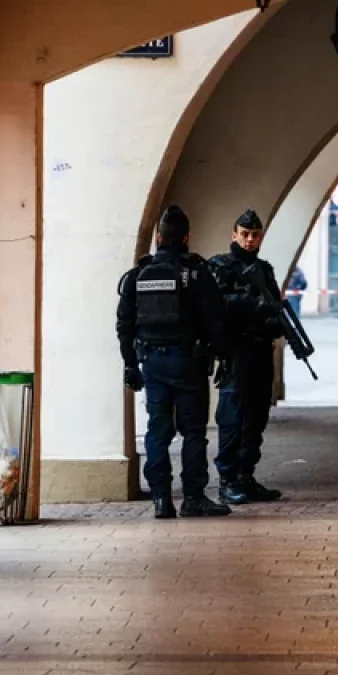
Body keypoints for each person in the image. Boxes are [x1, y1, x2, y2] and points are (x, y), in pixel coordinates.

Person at [116, 205, 232, 519]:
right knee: (193, 432)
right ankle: (193, 497)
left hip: (152, 363)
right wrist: (224, 357)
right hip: (188, 364)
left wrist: (130, 364)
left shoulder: (138, 274)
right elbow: (215, 319)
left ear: (158, 237)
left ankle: (161, 500)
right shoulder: (196, 272)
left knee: (157, 431)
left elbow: (124, 324)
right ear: (186, 238)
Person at [208, 209, 285, 505]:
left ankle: (245, 476)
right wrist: (248, 304)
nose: (250, 240)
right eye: (245, 234)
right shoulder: (220, 267)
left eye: (255, 235)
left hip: (260, 349)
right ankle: (227, 479)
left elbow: (275, 306)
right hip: (236, 351)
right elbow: (215, 306)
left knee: (256, 417)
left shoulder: (264, 270)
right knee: (232, 416)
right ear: (234, 235)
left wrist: (274, 320)